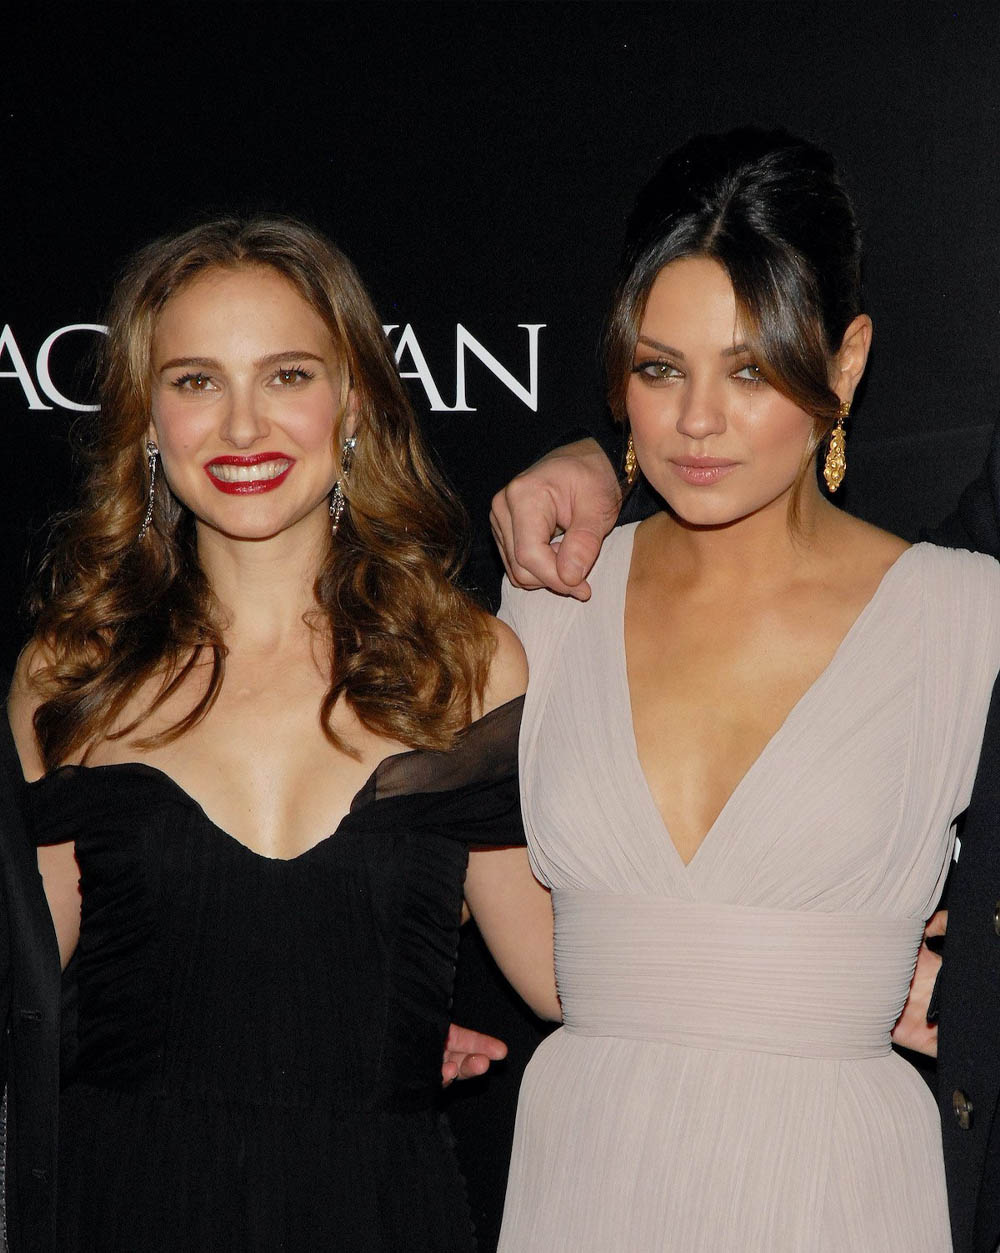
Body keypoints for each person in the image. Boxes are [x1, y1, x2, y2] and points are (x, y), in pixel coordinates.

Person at [492, 128, 1000, 1251]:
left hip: (835, 1190)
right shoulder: (545, 593)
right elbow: (527, 954)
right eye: (660, 367)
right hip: (582, 1172)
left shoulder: (966, 620)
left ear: (847, 360)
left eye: (751, 368)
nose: (697, 421)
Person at [8, 216, 557, 1252]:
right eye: (196, 381)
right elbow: (24, 992)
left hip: (378, 1211)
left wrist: (832, 957)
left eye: (288, 374)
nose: (243, 426)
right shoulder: (71, 671)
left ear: (352, 401)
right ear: (147, 421)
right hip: (118, 1206)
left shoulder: (468, 665)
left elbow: (561, 974)